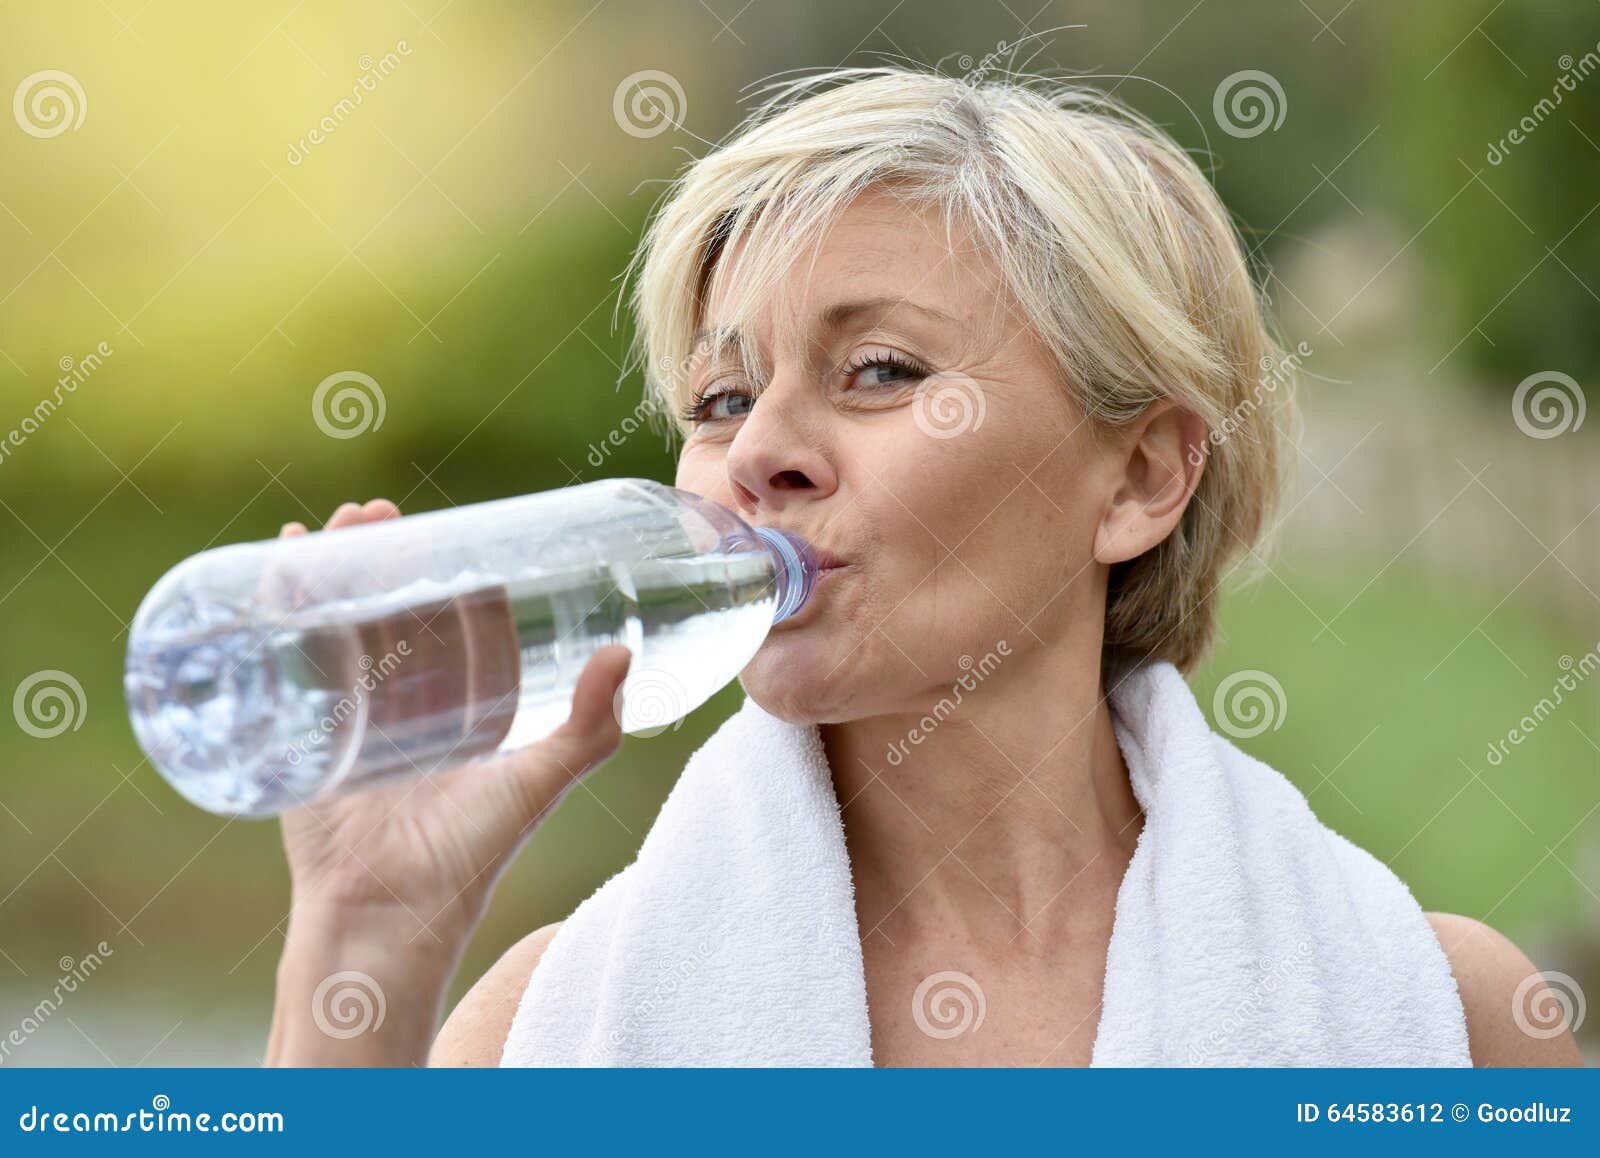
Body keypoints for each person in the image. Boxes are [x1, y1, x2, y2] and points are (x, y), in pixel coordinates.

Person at [265, 67, 1582, 1067]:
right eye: (721, 396)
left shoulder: (1444, 1017)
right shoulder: (549, 1031)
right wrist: (371, 927)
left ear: (1138, 478)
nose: (758, 451)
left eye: (881, 370)